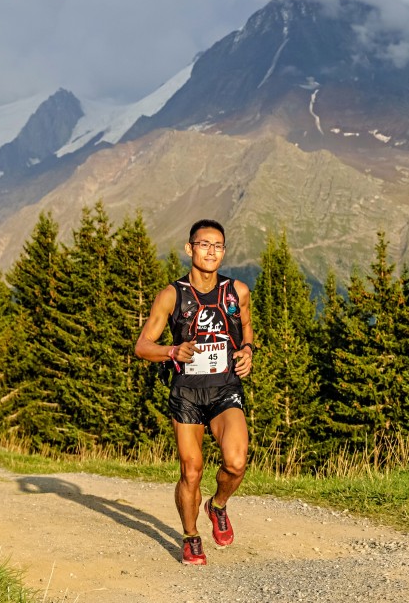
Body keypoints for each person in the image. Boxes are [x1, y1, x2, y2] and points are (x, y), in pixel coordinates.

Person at [134, 219, 255, 566]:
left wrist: (248, 352)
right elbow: (142, 346)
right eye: (204, 245)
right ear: (190, 249)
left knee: (236, 461)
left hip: (225, 388)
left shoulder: (238, 292)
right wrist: (171, 352)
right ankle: (190, 536)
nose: (211, 252)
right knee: (191, 470)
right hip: (186, 392)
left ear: (224, 252)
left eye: (218, 246)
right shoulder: (172, 295)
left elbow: (246, 330)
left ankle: (217, 505)